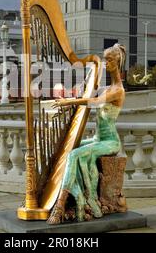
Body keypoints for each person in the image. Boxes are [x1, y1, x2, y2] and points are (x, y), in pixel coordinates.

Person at [47, 43, 127, 224]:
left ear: (118, 63)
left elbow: (94, 102)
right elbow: (89, 95)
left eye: (110, 60)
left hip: (110, 142)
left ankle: (61, 205)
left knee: (75, 154)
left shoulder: (117, 91)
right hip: (98, 139)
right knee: (70, 149)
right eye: (105, 59)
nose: (106, 63)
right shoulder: (107, 88)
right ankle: (70, 198)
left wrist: (69, 102)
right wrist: (73, 94)